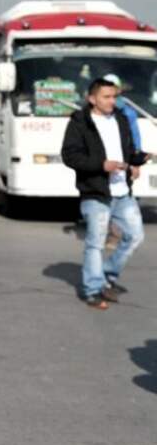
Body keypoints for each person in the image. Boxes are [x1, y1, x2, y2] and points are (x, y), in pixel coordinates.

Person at [60, 77, 147, 309]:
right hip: (95, 192)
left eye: (114, 97)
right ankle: (92, 289)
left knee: (135, 235)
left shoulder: (120, 118)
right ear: (92, 98)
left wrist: (137, 160)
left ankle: (106, 274)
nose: (112, 101)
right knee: (96, 243)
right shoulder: (80, 122)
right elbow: (70, 155)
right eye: (106, 97)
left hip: (122, 190)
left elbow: (127, 150)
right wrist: (101, 165)